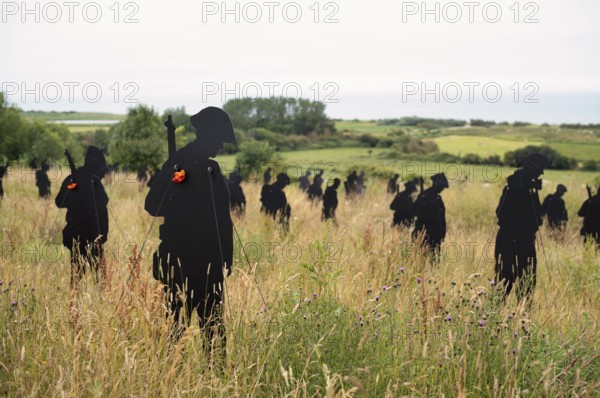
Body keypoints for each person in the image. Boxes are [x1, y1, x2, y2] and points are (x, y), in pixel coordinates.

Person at [145, 107, 234, 352]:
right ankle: (174, 382)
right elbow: (152, 205)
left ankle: (215, 383)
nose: (221, 146)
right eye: (218, 140)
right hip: (179, 258)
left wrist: (227, 257)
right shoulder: (175, 164)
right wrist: (174, 193)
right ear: (206, 135)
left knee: (214, 330)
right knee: (175, 329)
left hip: (209, 261)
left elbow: (224, 219)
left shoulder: (212, 170)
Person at [494, 153, 548, 302]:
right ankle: (494, 315)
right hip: (511, 240)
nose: (539, 176)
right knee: (505, 279)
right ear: (531, 168)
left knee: (527, 280)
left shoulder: (528, 189)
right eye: (538, 171)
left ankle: (523, 315)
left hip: (525, 240)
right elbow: (501, 213)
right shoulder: (514, 189)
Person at [55, 147, 109, 285]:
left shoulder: (95, 182)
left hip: (94, 235)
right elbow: (60, 201)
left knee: (100, 279)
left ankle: (100, 304)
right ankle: (75, 305)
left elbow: (104, 202)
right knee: (78, 277)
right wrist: (73, 190)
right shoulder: (74, 179)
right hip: (78, 235)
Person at [412, 173, 448, 258]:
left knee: (435, 261)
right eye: (441, 186)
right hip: (424, 234)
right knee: (422, 259)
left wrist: (442, 234)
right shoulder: (424, 196)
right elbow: (414, 212)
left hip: (436, 235)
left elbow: (441, 218)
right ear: (436, 184)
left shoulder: (438, 198)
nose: (442, 189)